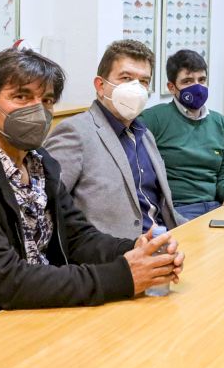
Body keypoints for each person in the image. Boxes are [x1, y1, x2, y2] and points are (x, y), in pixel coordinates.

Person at [0, 48, 185, 348]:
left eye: (46, 100)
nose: (37, 110)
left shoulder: (39, 162)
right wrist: (123, 276)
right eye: (21, 96)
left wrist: (136, 250)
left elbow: (77, 238)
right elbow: (8, 280)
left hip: (31, 314)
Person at [45, 40, 182, 238]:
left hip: (164, 239)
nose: (136, 88)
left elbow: (162, 208)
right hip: (114, 250)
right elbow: (47, 206)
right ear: (100, 86)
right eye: (126, 78)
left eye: (143, 81)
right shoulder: (75, 132)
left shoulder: (144, 134)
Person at [139, 49, 224, 221]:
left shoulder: (219, 122)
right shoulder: (152, 119)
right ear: (171, 87)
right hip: (178, 210)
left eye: (202, 80)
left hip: (216, 206)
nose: (197, 87)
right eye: (187, 81)